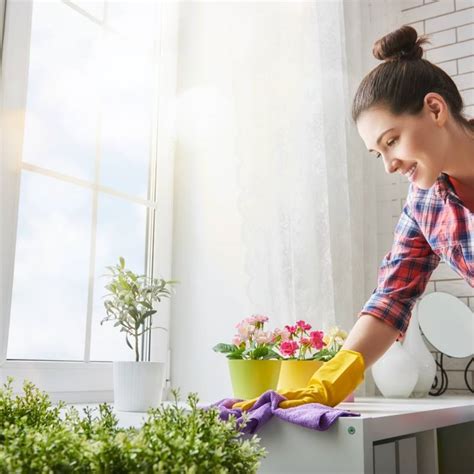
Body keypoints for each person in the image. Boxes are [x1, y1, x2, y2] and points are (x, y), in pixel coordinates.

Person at [233, 25, 474, 411]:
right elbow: (391, 300)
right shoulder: (423, 206)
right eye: (378, 152)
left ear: (434, 109)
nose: (389, 165)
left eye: (391, 140)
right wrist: (326, 384)